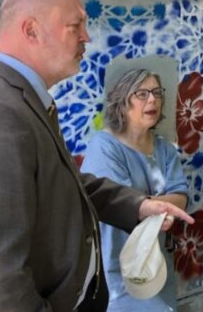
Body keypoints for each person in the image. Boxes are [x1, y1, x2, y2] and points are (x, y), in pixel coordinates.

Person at [0, 0, 193, 312]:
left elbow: (60, 183)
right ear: (31, 31)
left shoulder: (20, 101)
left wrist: (138, 206)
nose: (86, 37)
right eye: (75, 26)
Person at [81, 68, 189, 311]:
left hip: (156, 265)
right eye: (141, 93)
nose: (152, 99)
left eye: (156, 93)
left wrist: (146, 204)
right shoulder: (104, 146)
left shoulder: (165, 149)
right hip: (117, 271)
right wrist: (155, 205)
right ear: (122, 101)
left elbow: (180, 197)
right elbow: (118, 204)